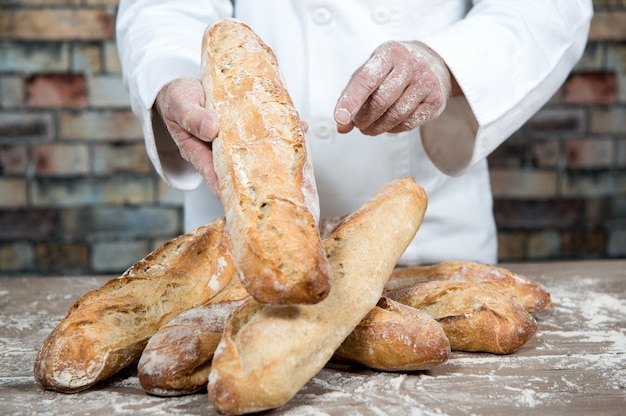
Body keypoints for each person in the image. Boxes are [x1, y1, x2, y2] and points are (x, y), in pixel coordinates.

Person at [116, 1, 592, 266]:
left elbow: (549, 7)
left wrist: (447, 63)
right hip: (237, 252)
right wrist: (172, 77)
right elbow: (164, 7)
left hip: (426, 252)